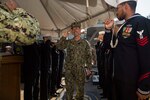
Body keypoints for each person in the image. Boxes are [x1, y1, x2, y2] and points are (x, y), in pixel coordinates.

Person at [104, 0, 150, 100]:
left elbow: (147, 55)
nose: (116, 12)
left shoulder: (141, 22)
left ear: (126, 6)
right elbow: (110, 47)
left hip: (132, 85)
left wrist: (145, 86)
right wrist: (108, 30)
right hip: (120, 82)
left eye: (118, 8)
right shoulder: (125, 25)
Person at [56, 23, 92, 100]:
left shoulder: (85, 43)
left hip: (80, 69)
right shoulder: (68, 42)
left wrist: (89, 68)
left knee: (80, 90)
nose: (75, 30)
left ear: (80, 30)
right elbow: (59, 46)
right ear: (72, 31)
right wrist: (63, 37)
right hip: (69, 70)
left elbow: (89, 56)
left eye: (77, 28)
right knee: (69, 90)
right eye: (73, 28)